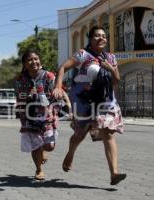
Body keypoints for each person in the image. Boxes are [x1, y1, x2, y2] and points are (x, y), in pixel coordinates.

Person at [53, 26, 126, 185]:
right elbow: (63, 68)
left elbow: (116, 81)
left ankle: (114, 173)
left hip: (105, 100)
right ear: (90, 39)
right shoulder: (83, 54)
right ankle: (71, 153)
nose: (101, 38)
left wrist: (110, 69)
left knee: (108, 134)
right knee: (80, 134)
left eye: (104, 36)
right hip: (84, 99)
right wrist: (58, 86)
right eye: (97, 36)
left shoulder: (111, 58)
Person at [15, 49, 60, 180]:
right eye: (30, 59)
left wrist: (58, 100)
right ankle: (39, 170)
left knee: (50, 146)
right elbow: (19, 98)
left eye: (36, 59)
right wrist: (29, 95)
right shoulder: (20, 79)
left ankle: (43, 150)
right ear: (24, 64)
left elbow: (57, 93)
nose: (33, 61)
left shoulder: (49, 76)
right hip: (29, 115)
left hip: (47, 115)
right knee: (35, 145)